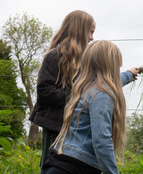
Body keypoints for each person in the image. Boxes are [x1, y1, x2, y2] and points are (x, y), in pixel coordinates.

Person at [29, 11, 138, 172]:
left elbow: (102, 84)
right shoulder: (55, 56)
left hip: (76, 125)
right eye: (90, 31)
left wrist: (128, 75)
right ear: (78, 30)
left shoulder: (87, 58)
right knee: (52, 162)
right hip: (56, 125)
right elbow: (45, 90)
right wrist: (78, 97)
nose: (92, 37)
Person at [42, 40, 131, 174]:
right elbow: (101, 139)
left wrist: (129, 75)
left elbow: (113, 82)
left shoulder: (83, 87)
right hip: (77, 167)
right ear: (112, 67)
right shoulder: (103, 94)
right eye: (117, 67)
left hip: (59, 162)